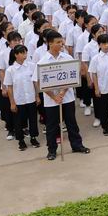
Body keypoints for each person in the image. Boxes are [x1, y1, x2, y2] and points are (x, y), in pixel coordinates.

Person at [38, 30, 90, 160]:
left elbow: (72, 76)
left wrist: (62, 92)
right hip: (51, 101)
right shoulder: (43, 61)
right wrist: (54, 96)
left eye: (62, 42)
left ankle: (77, 145)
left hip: (67, 98)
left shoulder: (67, 58)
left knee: (71, 122)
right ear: (50, 43)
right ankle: (52, 150)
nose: (61, 44)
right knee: (52, 126)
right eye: (58, 42)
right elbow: (40, 83)